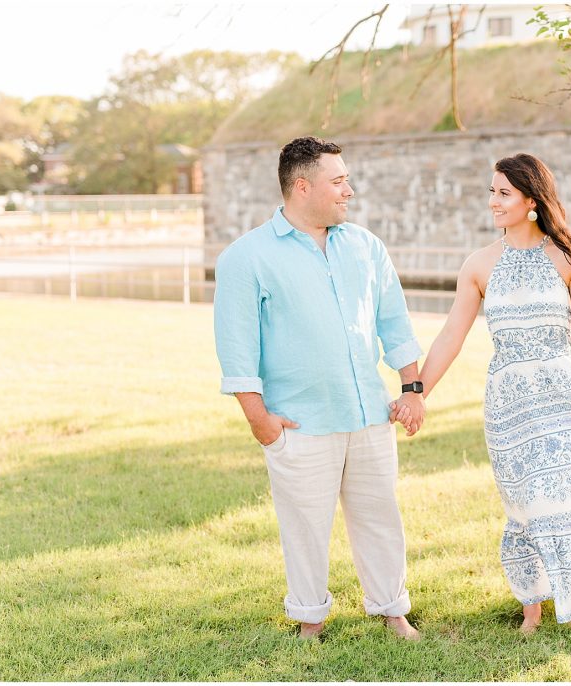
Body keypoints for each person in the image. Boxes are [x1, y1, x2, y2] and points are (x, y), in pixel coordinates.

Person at [393, 153, 571, 633]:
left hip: (564, 392)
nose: (493, 202)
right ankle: (533, 609)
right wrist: (416, 392)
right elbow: (452, 334)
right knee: (527, 501)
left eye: (503, 193)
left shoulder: (569, 257)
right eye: (491, 191)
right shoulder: (478, 265)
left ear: (531, 200)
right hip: (511, 403)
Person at [214, 136, 425, 641]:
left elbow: (394, 323)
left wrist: (412, 388)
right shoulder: (246, 258)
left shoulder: (366, 246)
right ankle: (310, 618)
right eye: (339, 180)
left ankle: (393, 610)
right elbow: (237, 349)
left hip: (371, 415)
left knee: (380, 517)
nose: (349, 190)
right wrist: (259, 421)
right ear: (302, 186)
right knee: (305, 528)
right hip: (299, 423)